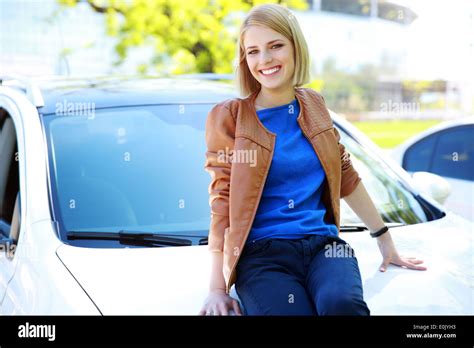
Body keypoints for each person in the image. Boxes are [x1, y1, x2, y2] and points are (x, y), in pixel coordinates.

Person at [199, 3, 426, 316]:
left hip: (324, 248)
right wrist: (216, 288)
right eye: (253, 51)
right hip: (262, 256)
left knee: (341, 305)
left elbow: (346, 174)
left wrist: (385, 241)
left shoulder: (314, 105)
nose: (264, 60)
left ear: (295, 48)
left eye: (275, 46)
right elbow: (221, 201)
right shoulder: (230, 118)